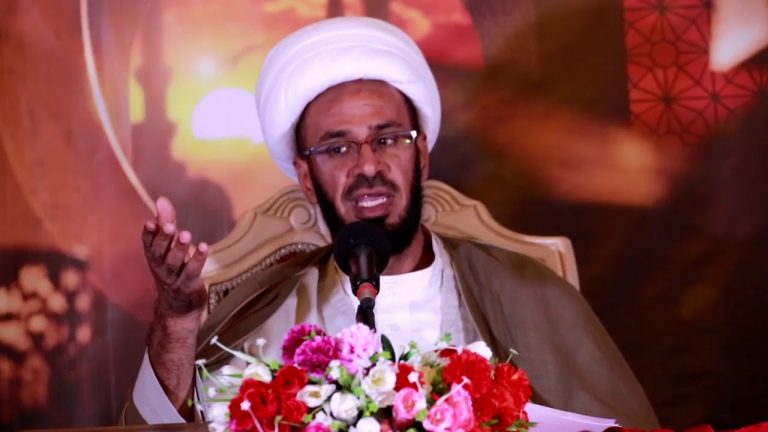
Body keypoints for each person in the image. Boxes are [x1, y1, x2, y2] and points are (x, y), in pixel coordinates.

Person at [123, 16, 659, 428]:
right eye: (338, 148)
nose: (368, 166)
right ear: (306, 176)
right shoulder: (269, 309)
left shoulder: (527, 292)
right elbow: (156, 430)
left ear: (420, 155)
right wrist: (178, 319)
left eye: (387, 139)